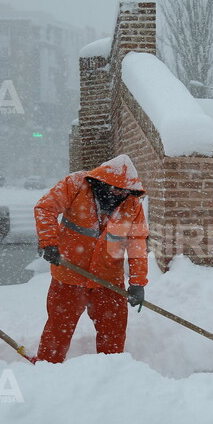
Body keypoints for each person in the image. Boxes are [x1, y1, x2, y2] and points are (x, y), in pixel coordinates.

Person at [34, 154, 148, 363]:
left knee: (113, 334)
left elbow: (137, 246)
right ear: (102, 182)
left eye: (124, 191)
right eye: (115, 188)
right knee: (58, 331)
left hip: (108, 281)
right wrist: (49, 242)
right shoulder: (76, 184)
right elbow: (45, 208)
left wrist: (138, 283)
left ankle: (110, 373)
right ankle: (46, 371)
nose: (119, 194)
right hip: (69, 276)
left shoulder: (132, 205)